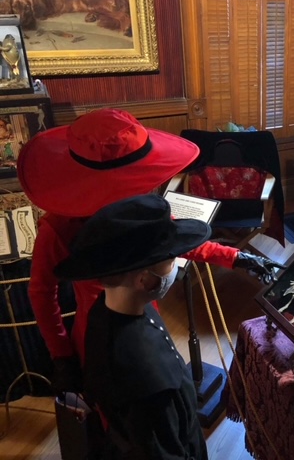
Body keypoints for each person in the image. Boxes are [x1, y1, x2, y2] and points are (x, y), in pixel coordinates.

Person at [17, 108, 282, 396]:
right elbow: (41, 293)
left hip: (146, 313)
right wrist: (62, 355)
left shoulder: (137, 203)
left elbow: (173, 239)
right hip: (98, 334)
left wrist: (236, 257)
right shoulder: (59, 227)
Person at [54, 194, 212, 459]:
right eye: (171, 261)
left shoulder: (105, 311)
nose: (175, 266)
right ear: (145, 280)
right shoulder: (145, 379)